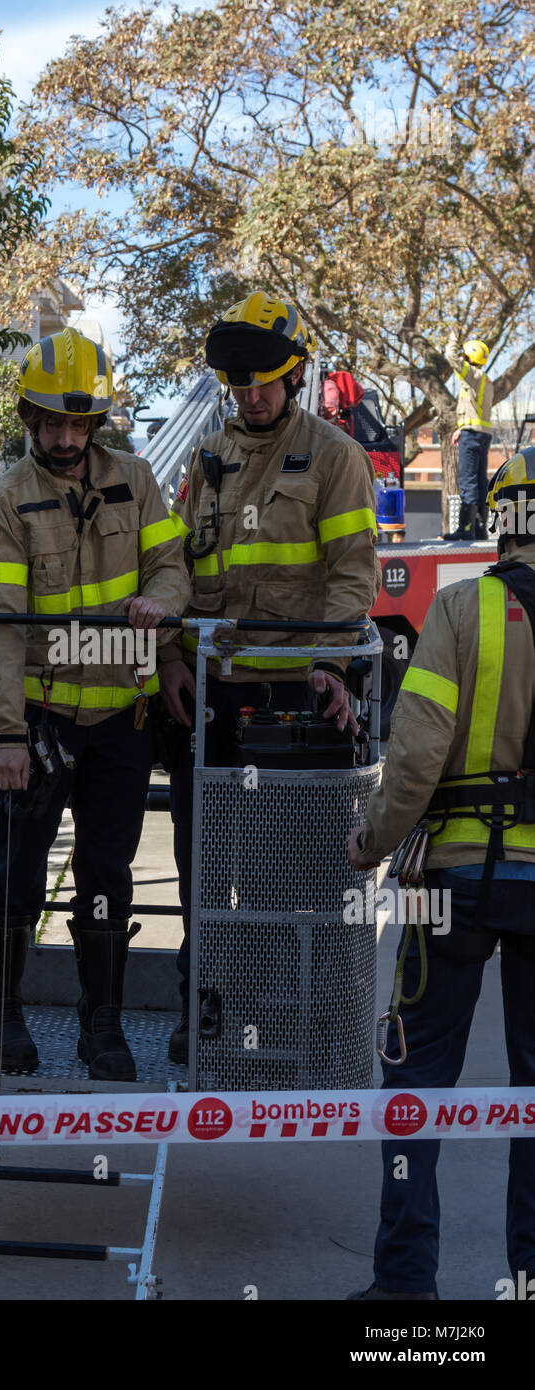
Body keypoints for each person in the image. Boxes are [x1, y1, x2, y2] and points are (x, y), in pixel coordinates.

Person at [160, 290, 381, 1063]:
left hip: (298, 699)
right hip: (217, 699)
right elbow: (180, 570)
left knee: (305, 878)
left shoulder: (334, 456)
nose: (251, 395)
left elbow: (354, 575)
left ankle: (317, 1028)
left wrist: (328, 663)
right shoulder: (207, 457)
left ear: (294, 377)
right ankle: (211, 1017)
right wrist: (174, 662)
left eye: (265, 381)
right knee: (206, 869)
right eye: (240, 383)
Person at [0, 327, 189, 1082]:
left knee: (107, 874)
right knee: (18, 874)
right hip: (40, 721)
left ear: (98, 423)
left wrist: (160, 603)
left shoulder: (138, 478)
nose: (65, 439)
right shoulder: (3, 503)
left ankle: (104, 1027)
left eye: (78, 424)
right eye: (52, 423)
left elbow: (171, 564)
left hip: (122, 724)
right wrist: (6, 734)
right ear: (29, 419)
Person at [347, 446, 535, 1300]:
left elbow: (415, 755)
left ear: (502, 517)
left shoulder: (462, 610)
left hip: (450, 882)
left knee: (415, 1086)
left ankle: (404, 1289)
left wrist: (370, 842)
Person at [444, 334, 493, 541]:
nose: (462, 358)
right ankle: (480, 529)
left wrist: (453, 341)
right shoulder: (485, 380)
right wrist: (460, 428)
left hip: (471, 436)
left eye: (465, 354)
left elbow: (451, 357)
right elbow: (474, 410)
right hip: (481, 434)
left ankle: (465, 528)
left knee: (468, 480)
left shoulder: (471, 374)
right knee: (480, 481)